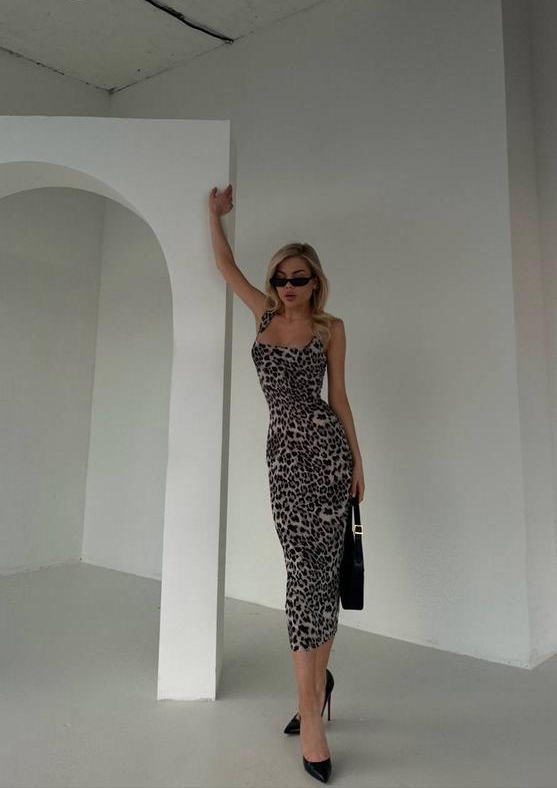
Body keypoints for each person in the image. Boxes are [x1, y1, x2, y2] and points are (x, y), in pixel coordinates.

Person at [208, 183, 365, 784]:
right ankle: (315, 692)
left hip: (327, 457)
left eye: (298, 278)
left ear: (315, 282)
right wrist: (214, 215)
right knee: (303, 580)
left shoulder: (331, 328)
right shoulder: (264, 314)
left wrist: (358, 463)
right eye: (280, 278)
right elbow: (226, 265)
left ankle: (312, 709)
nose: (288, 286)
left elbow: (339, 398)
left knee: (320, 582)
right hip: (285, 463)